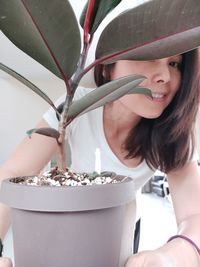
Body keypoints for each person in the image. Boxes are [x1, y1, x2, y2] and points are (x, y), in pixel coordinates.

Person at [0, 48, 200, 267]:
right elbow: (14, 174)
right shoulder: (76, 107)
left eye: (175, 64)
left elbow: (194, 214)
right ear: (108, 67)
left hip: (120, 235)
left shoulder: (171, 133)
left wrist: (172, 255)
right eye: (149, 58)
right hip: (62, 230)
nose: (166, 76)